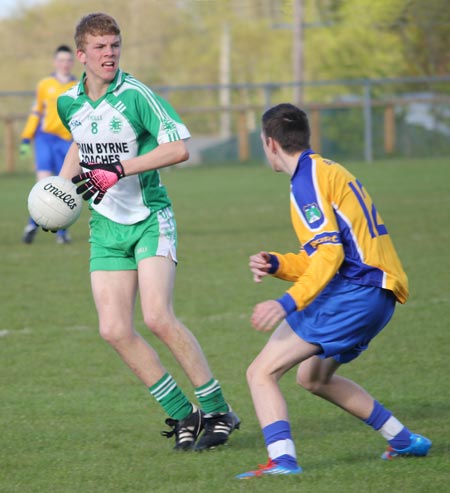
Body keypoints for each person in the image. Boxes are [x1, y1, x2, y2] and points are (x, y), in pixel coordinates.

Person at [56, 12, 239, 451]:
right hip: (105, 227)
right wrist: (59, 196)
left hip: (150, 219)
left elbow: (177, 149)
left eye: (115, 45)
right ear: (81, 54)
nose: (110, 54)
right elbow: (81, 143)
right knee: (114, 329)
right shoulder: (68, 102)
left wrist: (117, 170)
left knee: (157, 316)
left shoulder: (136, 95)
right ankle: (183, 415)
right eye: (100, 48)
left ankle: (217, 410)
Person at [236, 103, 431, 479]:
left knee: (260, 372)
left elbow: (330, 253)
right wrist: (277, 264)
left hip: (355, 292)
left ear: (270, 143)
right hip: (378, 294)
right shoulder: (327, 170)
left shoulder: (306, 182)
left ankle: (282, 461)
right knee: (313, 377)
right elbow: (325, 255)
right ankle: (404, 440)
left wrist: (287, 302)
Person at [21, 44, 77, 244]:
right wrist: (26, 137)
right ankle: (32, 224)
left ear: (73, 62)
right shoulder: (45, 84)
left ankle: (62, 233)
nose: (65, 64)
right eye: (61, 60)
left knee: (64, 186)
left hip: (67, 141)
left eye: (68, 60)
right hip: (45, 138)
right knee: (43, 183)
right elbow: (36, 111)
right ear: (55, 62)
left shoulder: (78, 86)